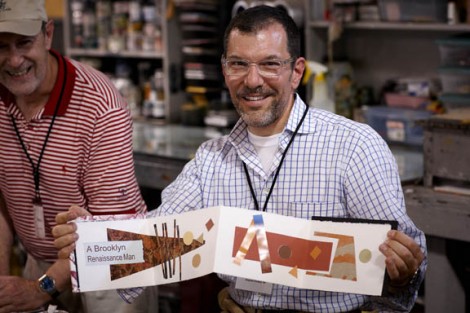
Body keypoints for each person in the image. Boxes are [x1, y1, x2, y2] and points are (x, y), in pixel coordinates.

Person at [53, 5, 427, 313]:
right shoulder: (210, 160)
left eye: (269, 64)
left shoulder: (354, 146)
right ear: (224, 70)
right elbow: (157, 241)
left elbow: (409, 263)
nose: (252, 81)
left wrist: (402, 271)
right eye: (239, 64)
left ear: (296, 72)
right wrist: (93, 241)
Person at [0, 0, 147, 312]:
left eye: (24, 42)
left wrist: (42, 289)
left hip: (112, 265)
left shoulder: (99, 105)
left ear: (48, 34)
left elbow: (108, 225)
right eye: (0, 46)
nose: (14, 60)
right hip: (41, 264)